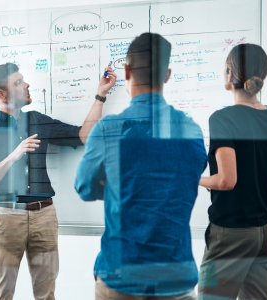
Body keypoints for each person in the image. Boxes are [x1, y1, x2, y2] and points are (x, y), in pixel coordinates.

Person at [74, 32, 207, 300]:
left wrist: (117, 187)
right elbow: (185, 182)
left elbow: (85, 188)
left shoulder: (109, 129)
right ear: (167, 74)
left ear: (126, 71)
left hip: (121, 272)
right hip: (175, 275)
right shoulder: (191, 130)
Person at [0, 62, 116, 300]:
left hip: (43, 215)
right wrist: (14, 154)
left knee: (47, 293)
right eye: (18, 82)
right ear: (2, 94)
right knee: (3, 293)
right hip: (6, 217)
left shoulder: (36, 120)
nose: (26, 85)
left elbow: (84, 136)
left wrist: (101, 95)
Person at [198, 44, 267, 300]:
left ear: (229, 73)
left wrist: (191, 178)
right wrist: (256, 181)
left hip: (230, 235)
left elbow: (225, 180)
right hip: (264, 233)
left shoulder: (223, 119)